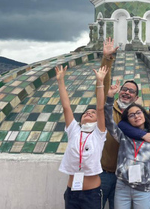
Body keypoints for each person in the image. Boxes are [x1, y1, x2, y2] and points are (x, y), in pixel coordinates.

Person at [98, 38, 142, 209]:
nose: (126, 93)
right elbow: (102, 84)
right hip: (103, 173)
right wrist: (107, 59)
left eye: (131, 91)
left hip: (125, 177)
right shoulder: (107, 109)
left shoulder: (139, 118)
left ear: (136, 98)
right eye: (124, 89)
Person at [56, 64, 109, 209]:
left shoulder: (99, 134)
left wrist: (100, 82)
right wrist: (60, 81)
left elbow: (100, 108)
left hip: (91, 194)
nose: (89, 113)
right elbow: (66, 106)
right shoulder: (74, 131)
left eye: (92, 113)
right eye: (86, 113)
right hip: (72, 193)